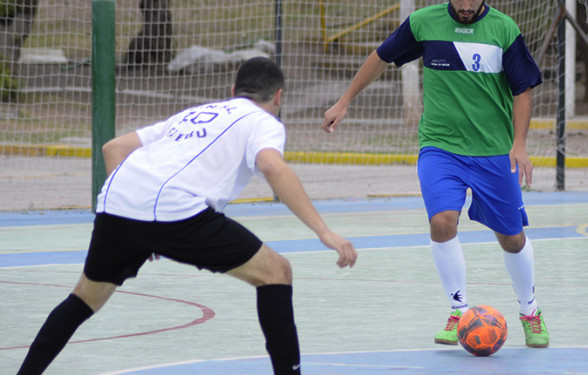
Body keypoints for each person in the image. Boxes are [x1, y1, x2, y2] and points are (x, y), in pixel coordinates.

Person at [18, 56, 358, 375]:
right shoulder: (263, 121)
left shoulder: (194, 113)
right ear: (279, 96)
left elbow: (114, 148)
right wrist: (324, 232)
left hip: (116, 202)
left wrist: (141, 221)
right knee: (276, 272)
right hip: (176, 209)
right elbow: (271, 165)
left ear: (232, 91)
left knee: (83, 299)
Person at [322, 0, 548, 348]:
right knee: (442, 221)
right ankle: (458, 310)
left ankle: (530, 311)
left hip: (493, 150)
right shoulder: (423, 23)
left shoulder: (504, 30)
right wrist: (345, 100)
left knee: (512, 238)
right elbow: (381, 56)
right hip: (440, 147)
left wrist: (519, 143)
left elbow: (522, 91)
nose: (468, 5)